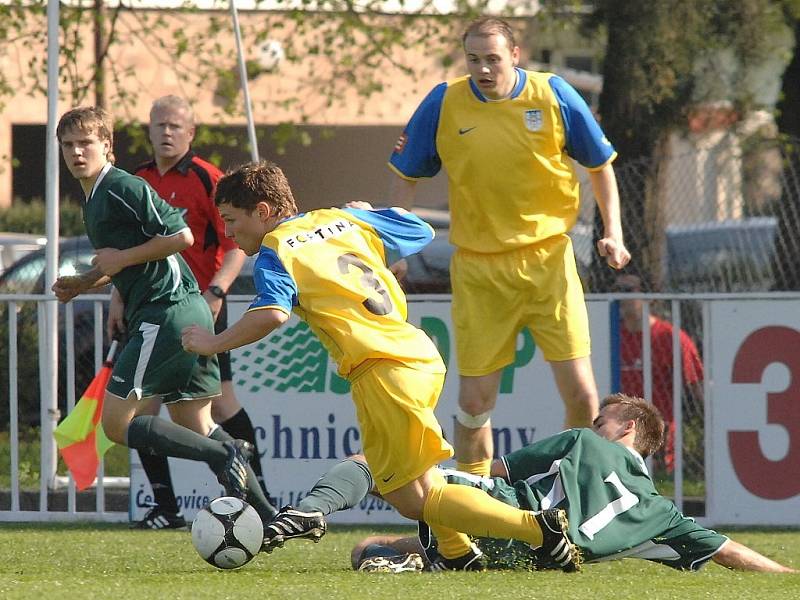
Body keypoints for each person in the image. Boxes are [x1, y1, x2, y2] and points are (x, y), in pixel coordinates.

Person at [181, 160, 581, 572]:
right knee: (411, 483)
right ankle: (458, 553)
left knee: (415, 497)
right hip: (410, 356)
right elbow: (420, 230)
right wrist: (369, 213)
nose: (228, 232)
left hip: (383, 368)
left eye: (230, 220)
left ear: (263, 212)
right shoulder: (342, 218)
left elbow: (271, 314)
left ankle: (537, 530)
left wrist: (212, 342)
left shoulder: (275, 250)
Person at [386, 16, 630, 480]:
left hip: (548, 262)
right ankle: (475, 502)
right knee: (475, 402)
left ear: (515, 55)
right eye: (473, 59)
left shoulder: (553, 94)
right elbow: (405, 177)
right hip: (479, 270)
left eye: (492, 59)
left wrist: (613, 232)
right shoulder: (444, 102)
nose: (482, 69)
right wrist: (396, 247)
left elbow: (601, 166)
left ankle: (570, 491)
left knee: (582, 395)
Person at [52, 106, 274, 526]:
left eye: (86, 142)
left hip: (166, 312)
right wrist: (82, 282)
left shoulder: (121, 186)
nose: (77, 151)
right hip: (179, 311)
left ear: (107, 146)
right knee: (197, 422)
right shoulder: (96, 196)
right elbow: (124, 264)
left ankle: (225, 454)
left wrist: (119, 259)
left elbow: (181, 236)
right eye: (69, 145)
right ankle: (268, 516)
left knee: (118, 424)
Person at [282, 395, 794, 574]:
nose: (595, 427)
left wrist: (437, 472)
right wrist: (787, 575)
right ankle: (423, 555)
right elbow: (731, 552)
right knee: (379, 547)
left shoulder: (582, 442)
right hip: (532, 556)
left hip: (508, 512)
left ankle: (308, 512)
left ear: (628, 429)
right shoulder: (664, 515)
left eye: (603, 421)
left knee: (370, 463)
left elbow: (494, 472)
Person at [127, 95, 273, 529]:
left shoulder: (209, 178)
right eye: (159, 125)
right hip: (151, 309)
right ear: (149, 131)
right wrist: (120, 297)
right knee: (143, 409)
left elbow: (233, 246)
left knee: (220, 405)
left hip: (199, 306)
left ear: (190, 133)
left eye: (175, 126)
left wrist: (215, 293)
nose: (167, 132)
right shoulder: (138, 180)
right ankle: (165, 507)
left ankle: (257, 495)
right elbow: (136, 249)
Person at [616, 273, 704, 472]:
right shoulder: (610, 335)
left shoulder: (670, 338)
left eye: (628, 291)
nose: (620, 297)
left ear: (649, 297)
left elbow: (698, 387)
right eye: (616, 290)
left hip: (656, 435)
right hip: (615, 431)